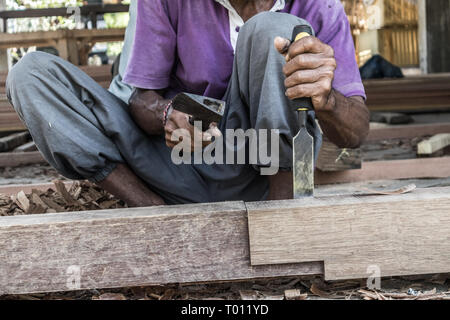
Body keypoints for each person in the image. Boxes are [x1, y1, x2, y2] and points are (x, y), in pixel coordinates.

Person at [6, 0, 369, 206]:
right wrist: (167, 113)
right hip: (179, 156)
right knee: (31, 74)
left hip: (269, 164)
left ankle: (282, 214)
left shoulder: (320, 6)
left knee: (273, 30)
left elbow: (355, 133)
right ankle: (151, 211)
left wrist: (327, 100)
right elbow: (140, 97)